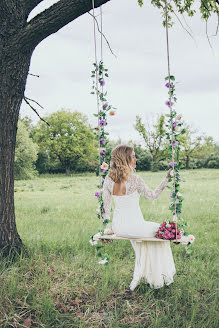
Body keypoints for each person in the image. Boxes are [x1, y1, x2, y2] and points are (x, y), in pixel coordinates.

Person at [102, 144, 176, 291]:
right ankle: (158, 276)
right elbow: (153, 195)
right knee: (163, 230)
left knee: (148, 240)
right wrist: (166, 179)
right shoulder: (135, 179)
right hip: (134, 226)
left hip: (119, 227)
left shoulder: (108, 179)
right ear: (126, 159)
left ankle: (143, 275)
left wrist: (108, 228)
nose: (136, 158)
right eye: (133, 156)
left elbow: (106, 207)